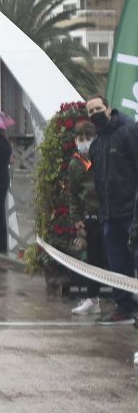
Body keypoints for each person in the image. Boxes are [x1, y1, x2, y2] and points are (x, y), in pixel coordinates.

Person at [86, 95, 138, 324]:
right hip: (110, 214)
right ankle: (124, 306)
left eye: (98, 108)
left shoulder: (129, 131)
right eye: (90, 111)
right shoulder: (96, 145)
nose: (94, 113)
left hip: (132, 211)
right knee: (117, 263)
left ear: (108, 108)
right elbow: (98, 180)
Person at [67, 120, 108, 316]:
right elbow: (73, 194)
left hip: (109, 214)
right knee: (93, 260)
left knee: (114, 257)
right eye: (80, 138)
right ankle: (93, 299)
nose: (84, 142)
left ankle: (125, 300)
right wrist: (76, 218)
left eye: (88, 138)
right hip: (90, 217)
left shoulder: (103, 156)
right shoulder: (75, 164)